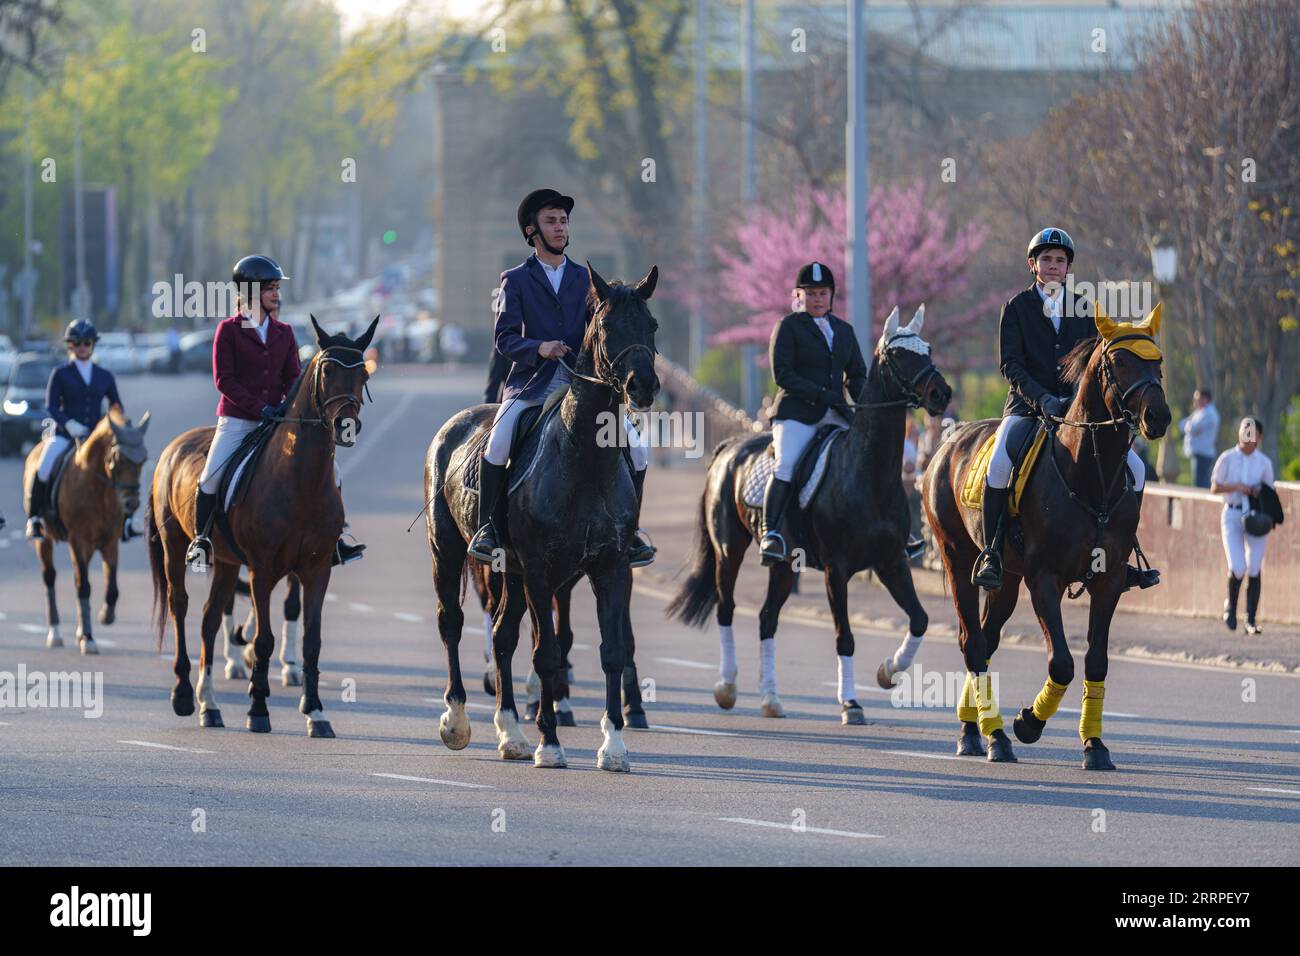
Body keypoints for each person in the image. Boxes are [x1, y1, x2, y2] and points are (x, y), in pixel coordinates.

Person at [468, 188, 655, 567]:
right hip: (531, 385)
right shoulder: (515, 280)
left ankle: (630, 532)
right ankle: (487, 529)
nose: (559, 228)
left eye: (563, 221)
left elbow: (601, 331)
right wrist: (539, 348)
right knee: (498, 443)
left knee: (637, 446)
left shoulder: (584, 280)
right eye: (551, 221)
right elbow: (504, 339)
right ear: (532, 230)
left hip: (580, 386)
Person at [973, 227, 1158, 592]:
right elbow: (1011, 366)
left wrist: (1079, 402)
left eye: (1060, 261)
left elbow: (1094, 366)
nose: (1053, 266)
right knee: (998, 464)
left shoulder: (1085, 308)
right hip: (1027, 409)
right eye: (1046, 260)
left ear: (1068, 267)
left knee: (1135, 469)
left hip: (1077, 413)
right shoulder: (1016, 308)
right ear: (1033, 265)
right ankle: (993, 552)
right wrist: (1042, 399)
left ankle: (1123, 554)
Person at [184, 254, 365, 572]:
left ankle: (336, 537)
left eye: (276, 288)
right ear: (251, 292)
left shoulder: (284, 332)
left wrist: (292, 407)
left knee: (331, 470)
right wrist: (260, 408)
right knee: (210, 476)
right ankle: (202, 541)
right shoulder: (228, 331)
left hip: (278, 419)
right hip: (238, 420)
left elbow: (293, 379)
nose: (276, 294)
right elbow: (224, 380)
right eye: (270, 288)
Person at [759, 261, 866, 565]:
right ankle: (771, 532)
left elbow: (857, 373)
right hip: (796, 413)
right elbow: (783, 374)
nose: (817, 299)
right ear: (799, 295)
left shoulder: (844, 331)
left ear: (831, 295)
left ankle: (893, 530)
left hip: (836, 412)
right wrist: (820, 393)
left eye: (822, 293)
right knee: (786, 463)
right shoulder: (788, 326)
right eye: (811, 293)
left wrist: (864, 401)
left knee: (869, 455)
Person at [25, 320, 125, 539]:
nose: (82, 347)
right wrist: (69, 424)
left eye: (87, 342)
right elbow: (50, 406)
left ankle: (126, 520)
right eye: (77, 342)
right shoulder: (60, 374)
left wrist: (112, 424)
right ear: (69, 345)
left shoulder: (104, 375)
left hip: (95, 437)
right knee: (43, 466)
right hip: (65, 434)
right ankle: (35, 518)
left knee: (121, 465)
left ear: (92, 345)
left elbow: (116, 405)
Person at [1211, 417, 1274, 634]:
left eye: (1252, 432)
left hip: (1255, 517)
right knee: (1238, 567)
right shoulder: (1227, 458)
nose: (1248, 436)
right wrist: (1235, 487)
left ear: (1259, 437)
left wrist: (1257, 490)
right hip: (1232, 514)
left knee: (1254, 566)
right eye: (1244, 430)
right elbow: (1214, 487)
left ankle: (1251, 620)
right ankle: (1231, 607)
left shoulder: (1264, 462)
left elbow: (1269, 493)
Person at [1181, 387, 1219, 489]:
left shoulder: (1208, 413)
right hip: (1200, 453)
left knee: (1200, 485)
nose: (1195, 401)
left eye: (1197, 398)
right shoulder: (1200, 412)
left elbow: (1191, 427)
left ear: (1205, 399)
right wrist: (1191, 427)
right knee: (1199, 483)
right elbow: (1182, 425)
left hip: (1203, 453)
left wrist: (1190, 426)